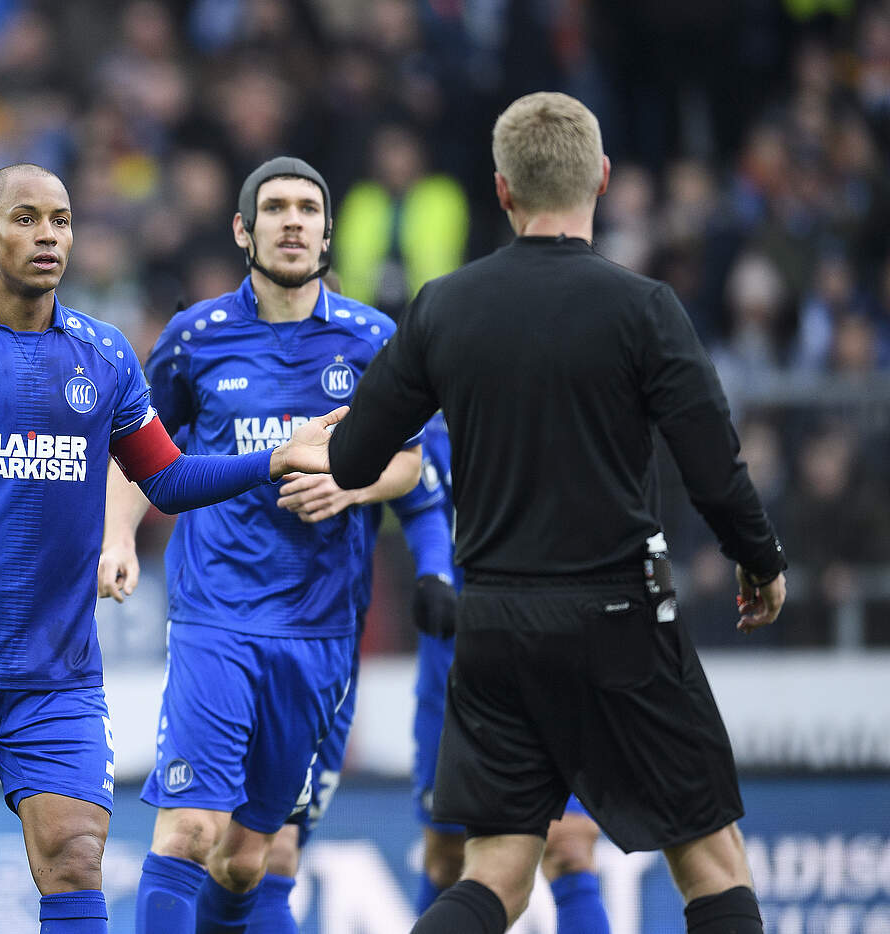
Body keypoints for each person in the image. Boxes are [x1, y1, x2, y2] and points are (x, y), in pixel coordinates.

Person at [0, 162, 345, 934]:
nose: (47, 234)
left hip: (57, 673)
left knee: (76, 857)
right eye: (26, 218)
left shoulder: (103, 355)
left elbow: (167, 480)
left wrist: (274, 458)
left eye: (61, 220)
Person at [327, 92, 788, 934]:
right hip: (621, 620)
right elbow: (714, 471)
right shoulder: (643, 307)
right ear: (602, 178)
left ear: (502, 189)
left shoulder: (443, 305)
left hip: (495, 624)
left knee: (496, 877)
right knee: (713, 867)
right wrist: (760, 559)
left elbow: (352, 460)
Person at [97, 156, 421, 934]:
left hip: (320, 626)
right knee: (189, 830)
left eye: (308, 209)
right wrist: (118, 536)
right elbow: (140, 451)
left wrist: (353, 486)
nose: (293, 222)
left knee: (249, 859)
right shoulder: (195, 338)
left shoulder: (373, 339)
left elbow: (412, 462)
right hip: (217, 614)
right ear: (244, 230)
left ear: (328, 232)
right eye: (275, 208)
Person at [406, 415, 611, 932]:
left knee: (570, 844)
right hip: (456, 661)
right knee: (448, 858)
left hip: (560, 653)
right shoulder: (426, 419)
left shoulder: (570, 407)